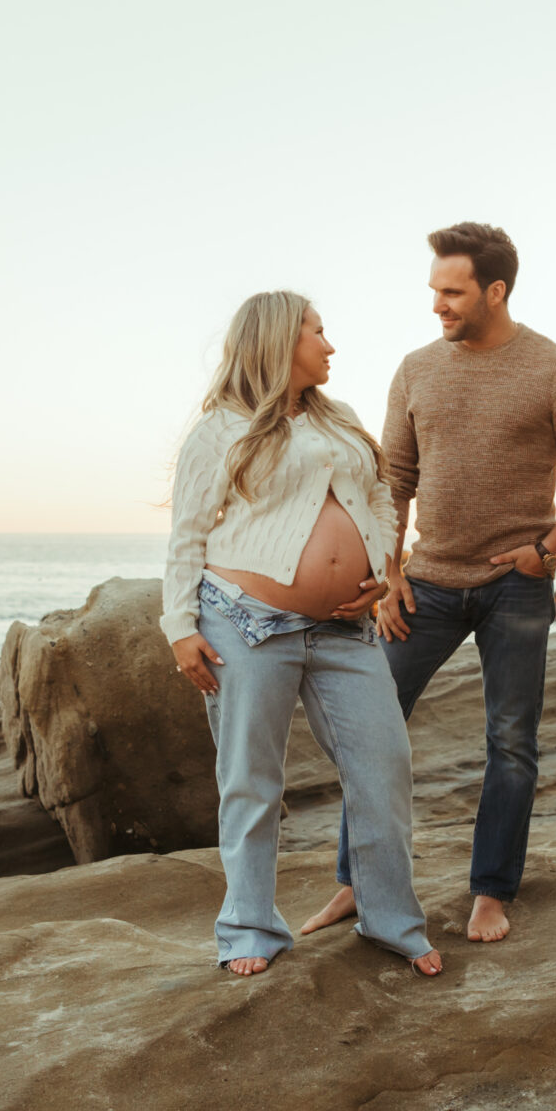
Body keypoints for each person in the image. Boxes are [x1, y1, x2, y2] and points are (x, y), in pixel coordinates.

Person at [302, 222, 556, 946]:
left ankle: (490, 892)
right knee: (371, 731)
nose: (438, 305)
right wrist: (387, 574)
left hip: (517, 587)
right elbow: (395, 480)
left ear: (495, 290)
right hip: (426, 585)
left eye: (452, 292)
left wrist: (545, 550)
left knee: (511, 741)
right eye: (434, 291)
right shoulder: (417, 368)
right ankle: (357, 883)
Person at [160, 291, 442, 979]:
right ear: (281, 340)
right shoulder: (220, 427)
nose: (330, 345)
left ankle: (391, 920)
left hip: (345, 627)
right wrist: (180, 627)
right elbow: (188, 532)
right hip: (244, 620)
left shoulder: (338, 418)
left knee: (384, 766)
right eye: (318, 331)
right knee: (252, 780)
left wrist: (381, 566)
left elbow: (379, 492)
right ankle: (249, 927)